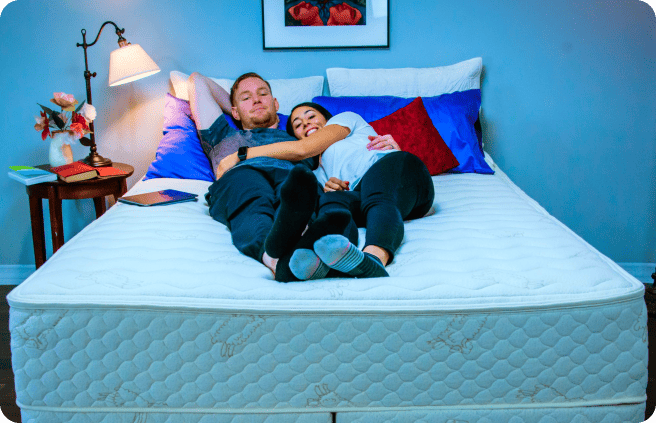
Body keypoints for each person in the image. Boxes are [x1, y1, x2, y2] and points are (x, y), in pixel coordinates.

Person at [188, 73, 397, 280]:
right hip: (243, 173)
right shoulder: (222, 135)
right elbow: (197, 81)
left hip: (293, 176)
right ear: (234, 111)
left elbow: (347, 159)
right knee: (252, 197)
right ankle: (275, 260)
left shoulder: (301, 139)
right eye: (247, 97)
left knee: (300, 193)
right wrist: (239, 108)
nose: (257, 99)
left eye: (263, 94)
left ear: (276, 104)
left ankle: (301, 244)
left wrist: (389, 150)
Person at [216, 102, 435, 281]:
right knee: (332, 204)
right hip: (362, 194)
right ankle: (335, 255)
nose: (306, 124)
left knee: (380, 194)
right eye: (298, 125)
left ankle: (374, 258)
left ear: (327, 119)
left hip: (397, 172)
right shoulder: (314, 171)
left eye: (311, 116)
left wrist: (241, 155)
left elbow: (303, 149)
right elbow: (308, 159)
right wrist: (332, 188)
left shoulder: (346, 120)